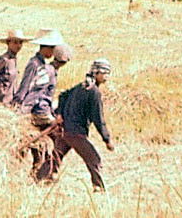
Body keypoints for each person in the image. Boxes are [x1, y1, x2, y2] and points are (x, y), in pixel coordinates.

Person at [36, 58, 115, 190]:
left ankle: (40, 178)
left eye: (108, 73)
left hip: (65, 130)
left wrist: (60, 113)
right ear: (95, 73)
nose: (106, 76)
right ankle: (98, 187)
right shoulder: (93, 92)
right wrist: (106, 139)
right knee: (94, 159)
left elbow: (63, 95)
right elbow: (98, 118)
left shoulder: (81, 86)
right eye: (103, 73)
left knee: (56, 156)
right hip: (76, 133)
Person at [23, 43, 71, 173]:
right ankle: (46, 170)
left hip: (44, 109)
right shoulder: (48, 71)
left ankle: (41, 167)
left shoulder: (51, 70)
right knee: (60, 137)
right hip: (41, 112)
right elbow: (36, 92)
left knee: (45, 141)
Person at [12, 28, 64, 110]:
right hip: (29, 107)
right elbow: (25, 85)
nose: (53, 52)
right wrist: (17, 103)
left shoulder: (42, 64)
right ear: (46, 48)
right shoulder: (34, 64)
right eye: (52, 48)